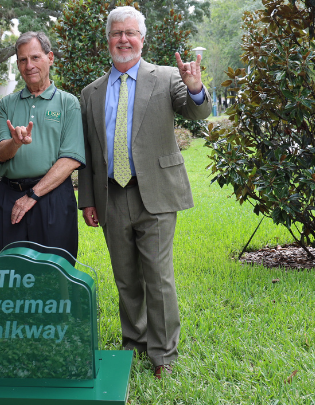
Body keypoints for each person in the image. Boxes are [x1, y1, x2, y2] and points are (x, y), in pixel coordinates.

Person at [78, 6, 212, 379]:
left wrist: (196, 87)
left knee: (158, 275)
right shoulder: (90, 93)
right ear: (108, 40)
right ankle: (133, 343)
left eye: (130, 33)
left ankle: (163, 353)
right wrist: (87, 199)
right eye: (117, 33)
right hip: (111, 196)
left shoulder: (168, 78)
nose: (124, 39)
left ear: (142, 39)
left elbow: (197, 113)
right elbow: (88, 153)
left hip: (154, 193)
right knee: (126, 278)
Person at [0, 31, 85, 258]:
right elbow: (0, 154)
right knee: (11, 273)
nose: (29, 65)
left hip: (52, 198)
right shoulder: (7, 104)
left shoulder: (68, 103)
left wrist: (33, 195)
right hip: (10, 197)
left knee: (54, 272)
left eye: (35, 57)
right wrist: (15, 143)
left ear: (50, 58)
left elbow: (70, 159)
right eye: (23, 60)